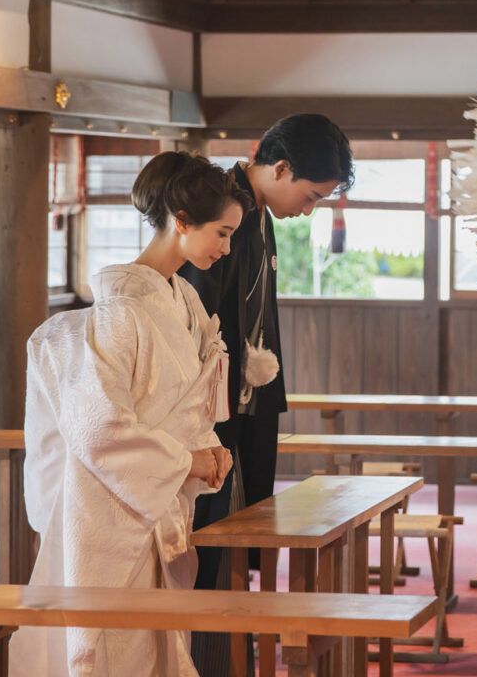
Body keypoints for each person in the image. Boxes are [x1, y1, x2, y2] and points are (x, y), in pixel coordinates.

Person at [15, 151, 248, 676]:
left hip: (160, 496)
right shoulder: (119, 315)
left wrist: (206, 450)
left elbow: (187, 403)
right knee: (114, 645)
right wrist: (186, 460)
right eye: (221, 232)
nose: (226, 247)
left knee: (158, 638)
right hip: (111, 502)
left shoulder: (182, 297)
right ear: (182, 221)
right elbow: (99, 428)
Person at [181, 114, 353, 675]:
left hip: (245, 403)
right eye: (309, 194)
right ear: (280, 168)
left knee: (238, 537)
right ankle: (208, 662)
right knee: (208, 545)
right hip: (211, 410)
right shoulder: (222, 209)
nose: (309, 208)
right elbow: (197, 322)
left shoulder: (260, 215)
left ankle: (231, 658)